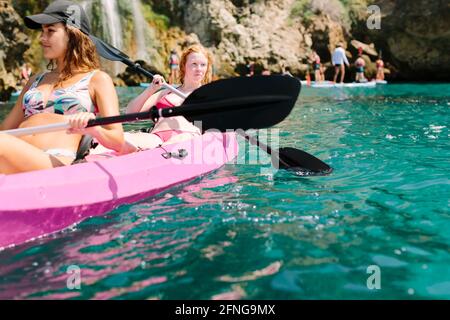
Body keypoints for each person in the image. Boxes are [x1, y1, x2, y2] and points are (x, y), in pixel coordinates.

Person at [0, 0, 124, 174]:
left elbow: (117, 140)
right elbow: (6, 130)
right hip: (15, 154)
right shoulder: (35, 80)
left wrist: (94, 129)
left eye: (50, 31)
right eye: (42, 32)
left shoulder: (97, 79)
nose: (42, 38)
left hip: (54, 160)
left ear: (73, 34)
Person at [120, 44, 213, 152]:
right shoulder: (166, 91)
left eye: (203, 65)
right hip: (157, 138)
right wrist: (151, 89)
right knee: (124, 137)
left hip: (185, 139)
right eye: (194, 64)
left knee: (179, 140)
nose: (199, 69)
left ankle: (156, 153)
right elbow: (130, 113)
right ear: (183, 66)